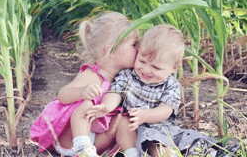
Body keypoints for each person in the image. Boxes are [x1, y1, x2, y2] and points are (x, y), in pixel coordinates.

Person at [86, 24, 222, 157]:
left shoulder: (171, 86)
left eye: (156, 67)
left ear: (175, 67)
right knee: (142, 135)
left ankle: (201, 151)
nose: (146, 70)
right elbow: (115, 93)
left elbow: (166, 110)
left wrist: (145, 115)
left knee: (181, 140)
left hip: (159, 129)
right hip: (130, 129)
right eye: (142, 61)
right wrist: (106, 106)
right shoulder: (127, 76)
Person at [30, 11, 140, 157]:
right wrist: (82, 91)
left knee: (123, 119)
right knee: (87, 104)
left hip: (97, 140)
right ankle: (82, 148)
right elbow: (62, 95)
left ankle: (131, 152)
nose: (138, 49)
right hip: (72, 139)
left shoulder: (124, 77)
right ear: (110, 49)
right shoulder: (93, 74)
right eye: (134, 45)